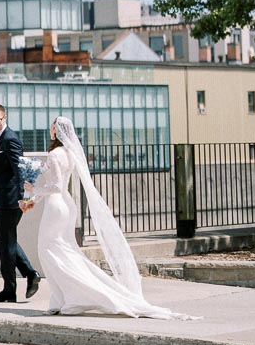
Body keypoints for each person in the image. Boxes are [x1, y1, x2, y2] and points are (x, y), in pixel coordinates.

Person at [21, 116, 194, 319]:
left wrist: (34, 189)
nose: (49, 130)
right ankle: (63, 299)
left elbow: (56, 186)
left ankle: (68, 297)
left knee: (49, 250)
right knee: (65, 250)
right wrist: (35, 197)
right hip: (67, 205)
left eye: (51, 127)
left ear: (56, 131)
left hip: (56, 207)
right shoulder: (70, 152)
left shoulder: (54, 154)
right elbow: (59, 183)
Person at [0, 102, 41, 303]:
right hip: (1, 197)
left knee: (6, 246)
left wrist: (22, 198)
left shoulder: (10, 139)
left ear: (5, 117)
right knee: (7, 243)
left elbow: (19, 170)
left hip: (11, 200)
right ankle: (29, 275)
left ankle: (10, 289)